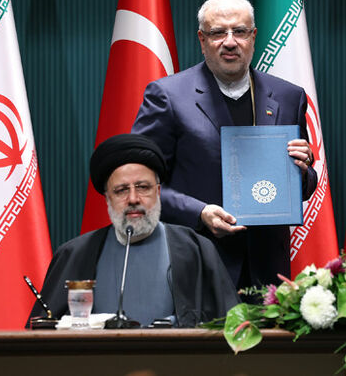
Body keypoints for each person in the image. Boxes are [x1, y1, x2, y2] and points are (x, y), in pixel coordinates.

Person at [132, 0, 317, 290]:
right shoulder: (167, 96)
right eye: (218, 32)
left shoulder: (288, 96)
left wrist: (303, 170)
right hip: (196, 263)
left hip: (267, 269)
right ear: (202, 40)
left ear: (253, 37)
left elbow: (304, 186)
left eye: (239, 31)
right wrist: (199, 213)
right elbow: (139, 183)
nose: (230, 42)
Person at [27, 134, 237, 328]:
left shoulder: (196, 249)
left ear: (158, 191)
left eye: (143, 187)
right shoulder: (74, 254)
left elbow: (232, 329)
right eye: (121, 190)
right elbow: (41, 334)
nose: (134, 199)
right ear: (107, 199)